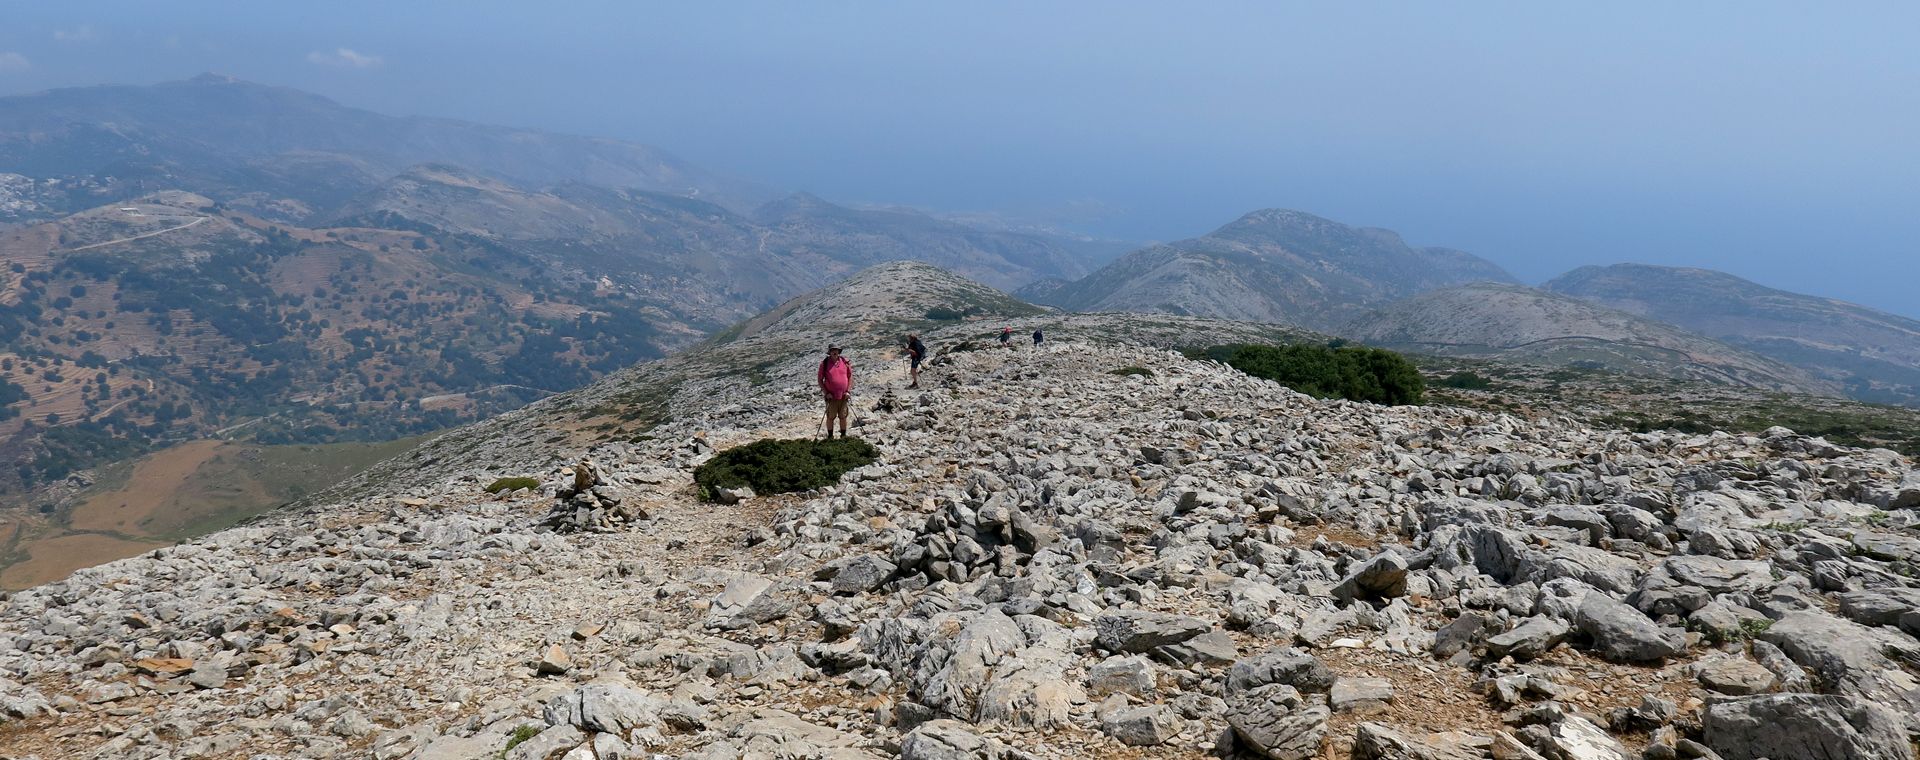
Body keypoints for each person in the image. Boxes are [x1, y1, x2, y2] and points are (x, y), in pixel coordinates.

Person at [817, 344, 853, 439]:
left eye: (836, 350)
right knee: (830, 417)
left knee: (843, 416)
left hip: (843, 396)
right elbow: (820, 380)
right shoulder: (824, 364)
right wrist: (826, 393)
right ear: (829, 352)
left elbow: (850, 377)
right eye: (832, 350)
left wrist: (848, 391)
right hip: (831, 397)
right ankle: (830, 437)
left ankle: (843, 436)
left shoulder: (845, 362)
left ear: (839, 351)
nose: (834, 352)